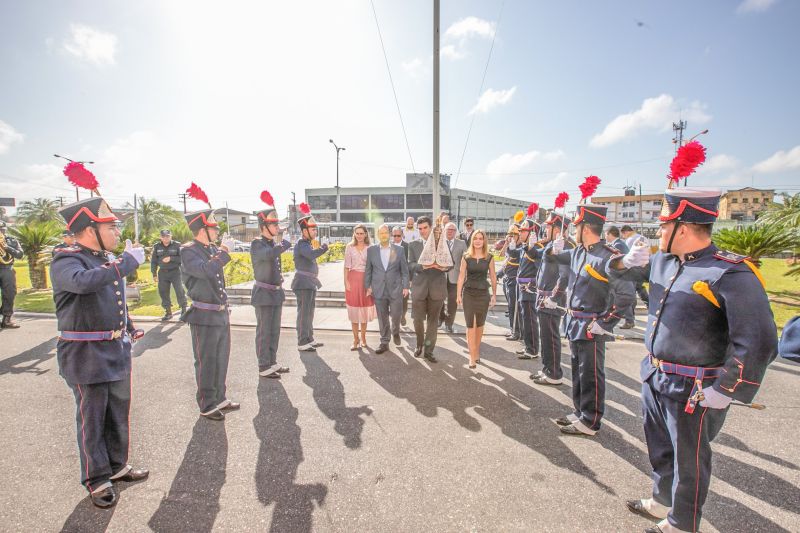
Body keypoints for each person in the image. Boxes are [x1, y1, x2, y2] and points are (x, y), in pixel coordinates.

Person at [609, 187, 777, 533]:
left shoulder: (729, 272)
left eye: (662, 226)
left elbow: (758, 339)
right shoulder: (661, 261)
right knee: (660, 447)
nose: (658, 233)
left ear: (682, 228)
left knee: (690, 460)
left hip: (696, 386)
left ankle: (682, 523)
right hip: (656, 375)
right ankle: (661, 499)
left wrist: (727, 388)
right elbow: (621, 277)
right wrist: (623, 261)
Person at [51, 194, 149, 509]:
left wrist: (130, 325)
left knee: (118, 413)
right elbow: (84, 284)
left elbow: (112, 299)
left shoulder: (105, 259)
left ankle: (117, 466)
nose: (118, 232)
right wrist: (127, 261)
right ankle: (97, 479)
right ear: (90, 229)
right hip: (86, 354)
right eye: (111, 226)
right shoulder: (67, 259)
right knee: (92, 419)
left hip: (115, 349)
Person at [547, 202, 620, 437]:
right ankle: (579, 412)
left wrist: (606, 323)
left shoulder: (606, 257)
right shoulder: (579, 251)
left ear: (586, 228)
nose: (573, 231)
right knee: (578, 372)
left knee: (591, 374)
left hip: (591, 323)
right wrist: (552, 249)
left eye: (576, 226)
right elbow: (553, 259)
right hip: (574, 321)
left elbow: (625, 295)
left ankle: (591, 420)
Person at [180, 200, 240, 421]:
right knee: (206, 360)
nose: (217, 231)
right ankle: (206, 403)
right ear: (202, 229)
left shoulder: (211, 249)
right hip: (203, 315)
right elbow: (204, 271)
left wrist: (220, 251)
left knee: (221, 357)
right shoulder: (188, 251)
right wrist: (223, 252)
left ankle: (219, 397)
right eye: (213, 227)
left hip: (219, 312)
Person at [250, 192, 292, 378]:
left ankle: (272, 361)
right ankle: (263, 365)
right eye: (274, 224)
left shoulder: (271, 243)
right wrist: (283, 244)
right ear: (264, 226)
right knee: (264, 331)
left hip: (275, 293)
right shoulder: (257, 244)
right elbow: (268, 255)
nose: (277, 227)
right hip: (263, 294)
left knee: (274, 331)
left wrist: (280, 244)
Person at [531, 211, 573, 385]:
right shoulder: (552, 244)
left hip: (551, 299)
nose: (545, 228)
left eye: (549, 226)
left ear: (557, 228)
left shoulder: (566, 245)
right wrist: (532, 247)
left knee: (551, 337)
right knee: (546, 337)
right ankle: (547, 368)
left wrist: (555, 298)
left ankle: (555, 373)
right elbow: (539, 262)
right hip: (543, 297)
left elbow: (564, 276)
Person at [407, 216, 449, 362]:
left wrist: (444, 267)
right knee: (417, 320)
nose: (422, 231)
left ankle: (429, 350)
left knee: (433, 322)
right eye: (420, 229)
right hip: (419, 288)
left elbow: (451, 263)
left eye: (425, 228)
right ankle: (419, 345)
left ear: (431, 228)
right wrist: (422, 266)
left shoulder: (442, 243)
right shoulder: (413, 245)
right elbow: (410, 265)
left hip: (437, 288)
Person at [365, 223, 409, 353]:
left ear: (389, 234)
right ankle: (384, 341)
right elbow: (368, 269)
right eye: (381, 233)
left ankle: (396, 331)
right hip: (378, 289)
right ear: (378, 235)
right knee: (382, 316)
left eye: (385, 233)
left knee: (396, 315)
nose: (383, 235)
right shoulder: (371, 250)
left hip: (396, 289)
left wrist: (406, 286)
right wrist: (367, 286)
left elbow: (405, 270)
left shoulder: (399, 250)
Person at [456, 229, 497, 368]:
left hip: (483, 294)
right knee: (470, 324)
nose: (478, 241)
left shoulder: (489, 257)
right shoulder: (466, 257)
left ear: (484, 241)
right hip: (468, 293)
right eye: (475, 238)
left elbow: (493, 277)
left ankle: (476, 351)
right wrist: (458, 295)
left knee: (479, 325)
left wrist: (494, 295)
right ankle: (472, 357)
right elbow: (461, 276)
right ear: (472, 240)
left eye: (480, 238)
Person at [293, 203, 329, 351]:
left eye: (315, 229)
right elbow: (311, 255)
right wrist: (323, 247)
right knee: (303, 314)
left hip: (309, 283)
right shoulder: (302, 244)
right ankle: (302, 341)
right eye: (313, 229)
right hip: (303, 283)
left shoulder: (307, 243)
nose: (315, 232)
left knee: (309, 312)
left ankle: (309, 338)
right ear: (304, 231)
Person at [515, 211, 543, 359]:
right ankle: (528, 346)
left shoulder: (537, 248)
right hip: (522, 288)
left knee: (530, 320)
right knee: (525, 319)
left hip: (529, 289)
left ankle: (532, 350)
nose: (520, 232)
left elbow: (540, 270)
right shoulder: (526, 247)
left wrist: (532, 286)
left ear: (532, 232)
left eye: (523, 229)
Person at [344, 224, 376, 350]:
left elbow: (374, 267)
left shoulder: (371, 248)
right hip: (353, 280)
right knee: (354, 311)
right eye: (357, 233)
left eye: (361, 233)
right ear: (354, 234)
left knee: (363, 311)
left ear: (366, 234)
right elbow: (346, 266)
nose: (359, 235)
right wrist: (346, 282)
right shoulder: (349, 247)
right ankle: (355, 339)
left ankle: (363, 338)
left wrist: (371, 284)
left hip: (366, 281)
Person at [151, 228, 188, 321]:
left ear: (171, 236)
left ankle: (184, 310)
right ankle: (168, 312)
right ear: (161, 237)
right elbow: (154, 261)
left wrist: (171, 258)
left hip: (175, 272)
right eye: (163, 236)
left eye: (167, 236)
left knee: (179, 291)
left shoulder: (177, 245)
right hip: (162, 273)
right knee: (163, 292)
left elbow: (182, 259)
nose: (166, 238)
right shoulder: (157, 246)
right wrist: (154, 274)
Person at [605, 226, 636, 330]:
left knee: (621, 297)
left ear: (610, 234)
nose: (605, 237)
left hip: (623, 276)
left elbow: (620, 261)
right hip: (621, 275)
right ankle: (608, 317)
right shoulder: (618, 243)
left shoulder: (618, 245)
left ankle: (629, 321)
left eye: (606, 234)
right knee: (613, 297)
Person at [438, 222, 466, 334]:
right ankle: (440, 318)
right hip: (440, 277)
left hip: (455, 278)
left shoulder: (462, 243)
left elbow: (466, 259)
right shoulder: (439, 243)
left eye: (452, 230)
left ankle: (449, 324)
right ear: (444, 231)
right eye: (448, 229)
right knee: (439, 300)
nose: (450, 232)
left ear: (455, 232)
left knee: (452, 303)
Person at [502, 214, 524, 341]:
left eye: (513, 235)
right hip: (508, 278)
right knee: (511, 307)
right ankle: (513, 329)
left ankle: (516, 332)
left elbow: (512, 260)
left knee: (514, 308)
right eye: (510, 235)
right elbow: (506, 261)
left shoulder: (519, 248)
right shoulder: (512, 247)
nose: (511, 237)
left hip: (515, 280)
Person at [0, 220, 24, 328]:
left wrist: (7, 247)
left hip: (7, 269)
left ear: (5, 229)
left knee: (10, 294)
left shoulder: (12, 240)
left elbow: (20, 255)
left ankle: (6, 319)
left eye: (1, 230)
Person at [621, 224, 650, 306]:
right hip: (644, 266)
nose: (623, 237)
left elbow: (627, 255)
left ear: (626, 232)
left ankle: (632, 310)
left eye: (623, 234)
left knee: (632, 289)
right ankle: (648, 305)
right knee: (640, 287)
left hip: (634, 268)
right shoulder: (643, 237)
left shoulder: (630, 240)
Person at [391, 225, 410, 325]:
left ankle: (403, 315)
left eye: (398, 235)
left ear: (402, 235)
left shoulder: (407, 246)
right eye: (394, 236)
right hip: (391, 279)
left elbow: (409, 264)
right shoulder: (388, 246)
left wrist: (409, 280)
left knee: (404, 301)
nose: (396, 238)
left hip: (403, 278)